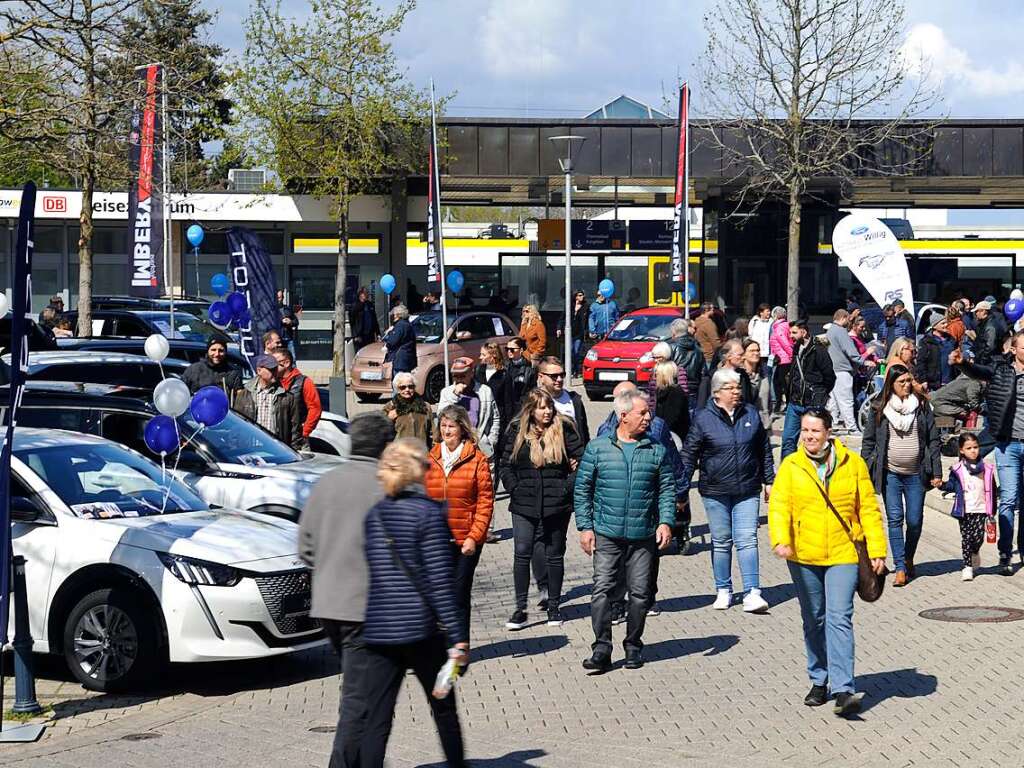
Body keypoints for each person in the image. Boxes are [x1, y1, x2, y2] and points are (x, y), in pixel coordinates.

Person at [769, 409, 886, 717]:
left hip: (843, 553)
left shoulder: (853, 463)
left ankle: (844, 689)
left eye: (815, 431)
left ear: (829, 433)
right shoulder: (791, 465)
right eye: (805, 431)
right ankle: (819, 680)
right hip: (803, 554)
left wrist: (877, 549)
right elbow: (779, 506)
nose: (809, 436)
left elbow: (869, 509)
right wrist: (780, 539)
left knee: (839, 617)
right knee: (814, 619)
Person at [361, 439, 468, 767]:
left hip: (379, 631)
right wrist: (457, 636)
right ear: (416, 471)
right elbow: (440, 583)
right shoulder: (429, 514)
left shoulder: (374, 515)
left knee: (376, 718)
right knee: (443, 708)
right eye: (425, 463)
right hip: (421, 630)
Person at [299, 413, 394, 768]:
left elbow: (306, 547)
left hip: (329, 606)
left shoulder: (327, 482)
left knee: (362, 692)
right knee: (362, 701)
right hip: (369, 611)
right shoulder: (390, 486)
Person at [574, 388, 675, 672]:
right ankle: (601, 648)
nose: (648, 417)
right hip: (606, 533)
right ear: (623, 416)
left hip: (643, 536)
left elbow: (667, 488)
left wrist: (666, 521)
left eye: (648, 412)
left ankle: (633, 645)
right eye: (642, 413)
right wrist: (585, 527)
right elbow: (583, 489)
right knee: (602, 590)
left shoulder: (655, 449)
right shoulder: (598, 448)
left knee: (641, 593)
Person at [680, 368, 775, 613]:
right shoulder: (703, 418)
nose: (736, 392)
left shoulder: (751, 413)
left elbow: (764, 450)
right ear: (717, 392)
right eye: (730, 388)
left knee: (747, 539)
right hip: (715, 489)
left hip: (747, 487)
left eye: (738, 387)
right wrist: (680, 490)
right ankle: (723, 589)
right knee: (721, 541)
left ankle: (753, 592)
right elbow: (689, 455)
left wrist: (769, 481)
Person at [500, 389, 584, 629]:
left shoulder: (564, 428)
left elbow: (584, 460)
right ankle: (520, 608)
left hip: (556, 502)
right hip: (523, 501)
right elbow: (506, 464)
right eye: (541, 407)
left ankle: (554, 606)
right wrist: (513, 487)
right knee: (522, 550)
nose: (547, 412)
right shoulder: (517, 430)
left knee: (554, 553)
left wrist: (566, 486)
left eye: (549, 407)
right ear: (531, 410)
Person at [860, 364, 942, 587]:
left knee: (914, 521)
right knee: (895, 520)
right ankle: (900, 568)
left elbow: (933, 440)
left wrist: (937, 471)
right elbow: (868, 441)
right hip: (890, 474)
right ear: (891, 385)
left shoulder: (922, 406)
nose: (906, 385)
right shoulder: (879, 408)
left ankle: (908, 556)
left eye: (908, 381)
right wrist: (864, 469)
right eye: (901, 382)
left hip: (916, 473)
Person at [951, 336, 1024, 574]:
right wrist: (963, 363)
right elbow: (979, 371)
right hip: (1007, 444)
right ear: (1014, 350)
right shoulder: (1002, 370)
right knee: (1009, 500)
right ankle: (1005, 553)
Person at [425, 405, 494, 641]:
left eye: (451, 426)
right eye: (443, 426)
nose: (446, 431)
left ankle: (460, 646)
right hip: (436, 539)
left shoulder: (477, 459)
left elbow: (485, 502)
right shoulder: (431, 456)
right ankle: (437, 646)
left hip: (465, 538)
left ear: (462, 428)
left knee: (459, 593)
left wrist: (474, 537)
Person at [940, 433, 997, 582]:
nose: (973, 451)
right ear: (962, 450)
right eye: (969, 448)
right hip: (964, 509)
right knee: (966, 537)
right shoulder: (958, 469)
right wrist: (942, 485)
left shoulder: (987, 468)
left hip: (981, 508)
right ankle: (967, 566)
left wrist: (993, 508)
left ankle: (975, 552)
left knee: (978, 538)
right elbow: (952, 485)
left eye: (975, 447)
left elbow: (993, 488)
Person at [781, 320, 836, 459]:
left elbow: (830, 377)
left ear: (804, 332)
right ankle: (787, 471)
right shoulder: (795, 349)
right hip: (795, 402)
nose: (791, 336)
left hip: (812, 402)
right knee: (788, 439)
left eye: (794, 333)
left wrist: (820, 394)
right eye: (790, 333)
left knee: (812, 441)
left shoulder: (819, 350)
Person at [232, 354, 303, 449]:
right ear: (259, 370)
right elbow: (237, 426)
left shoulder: (286, 397)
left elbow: (295, 429)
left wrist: (294, 451)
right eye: (271, 369)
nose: (274, 372)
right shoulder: (244, 395)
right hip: (251, 449)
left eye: (275, 369)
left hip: (277, 450)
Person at [437, 357, 501, 459]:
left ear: (471, 373)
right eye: (455, 376)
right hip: (456, 446)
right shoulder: (447, 393)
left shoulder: (485, 391)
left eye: (462, 376)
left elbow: (495, 418)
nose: (458, 380)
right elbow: (441, 417)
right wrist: (455, 395)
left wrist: (491, 441)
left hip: (481, 445)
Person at [827, 309, 872, 435]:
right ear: (843, 318)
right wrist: (864, 360)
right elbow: (851, 352)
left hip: (833, 369)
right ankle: (852, 428)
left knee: (833, 401)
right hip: (842, 370)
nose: (849, 322)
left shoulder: (831, 330)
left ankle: (833, 423)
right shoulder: (841, 332)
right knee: (846, 400)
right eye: (848, 319)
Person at [273, 348, 323, 446]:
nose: (271, 366)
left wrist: (304, 433)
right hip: (276, 436)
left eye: (274, 362)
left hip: (297, 438)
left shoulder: (304, 382)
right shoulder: (273, 382)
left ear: (286, 363)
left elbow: (315, 408)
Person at [536, 356, 590, 443]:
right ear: (541, 377)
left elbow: (584, 434)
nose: (559, 379)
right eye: (554, 376)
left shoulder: (575, 401)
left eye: (562, 375)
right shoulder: (530, 401)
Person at [696, 338, 755, 408]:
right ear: (728, 356)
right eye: (740, 355)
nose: (744, 357)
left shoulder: (743, 376)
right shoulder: (710, 378)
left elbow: (748, 402)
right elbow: (701, 406)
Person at [382, 372, 432, 445]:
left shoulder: (425, 407)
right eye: (403, 387)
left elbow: (432, 433)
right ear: (398, 389)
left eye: (410, 386)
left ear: (414, 387)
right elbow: (382, 432)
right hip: (399, 453)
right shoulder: (390, 407)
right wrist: (388, 419)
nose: (407, 390)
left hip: (421, 452)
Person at [668, 318, 704, 409]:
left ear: (673, 332)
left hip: (675, 389)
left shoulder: (670, 347)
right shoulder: (697, 348)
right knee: (691, 418)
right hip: (693, 389)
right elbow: (703, 372)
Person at [651, 358, 689, 443]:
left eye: (657, 372)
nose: (655, 375)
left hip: (673, 436)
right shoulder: (661, 390)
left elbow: (672, 419)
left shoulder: (676, 392)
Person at [558, 290, 589, 376]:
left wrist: (587, 331)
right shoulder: (569, 306)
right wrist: (559, 328)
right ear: (575, 297)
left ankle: (575, 370)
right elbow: (562, 318)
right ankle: (570, 370)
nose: (581, 297)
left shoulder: (585, 306)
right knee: (570, 351)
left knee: (576, 351)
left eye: (582, 295)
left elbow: (587, 320)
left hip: (579, 333)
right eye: (579, 295)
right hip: (570, 333)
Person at [741, 338, 771, 423]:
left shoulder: (764, 375)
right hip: (746, 422)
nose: (756, 353)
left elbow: (768, 401)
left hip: (763, 423)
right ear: (743, 354)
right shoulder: (740, 376)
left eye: (758, 350)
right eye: (752, 351)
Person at [769, 307, 793, 414]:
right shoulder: (784, 325)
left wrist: (791, 356)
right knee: (781, 382)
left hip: (784, 359)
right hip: (782, 358)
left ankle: (781, 405)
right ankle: (782, 405)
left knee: (781, 383)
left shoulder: (779, 328)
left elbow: (785, 343)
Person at [382, 304, 417, 375]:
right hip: (407, 359)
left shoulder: (400, 325)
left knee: (398, 382)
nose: (393, 316)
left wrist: (389, 333)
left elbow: (392, 341)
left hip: (400, 360)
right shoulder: (407, 324)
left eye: (394, 314)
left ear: (398, 315)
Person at [504, 336, 538, 407]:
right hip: (508, 406)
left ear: (521, 350)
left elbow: (533, 392)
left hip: (523, 406)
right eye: (507, 349)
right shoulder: (505, 367)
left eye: (512, 349)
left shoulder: (530, 369)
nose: (509, 351)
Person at [349, 286, 381, 351]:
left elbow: (374, 320)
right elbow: (352, 322)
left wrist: (378, 333)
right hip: (360, 336)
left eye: (368, 293)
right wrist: (355, 335)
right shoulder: (355, 305)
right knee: (360, 353)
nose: (367, 295)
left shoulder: (370, 304)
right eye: (366, 293)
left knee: (370, 353)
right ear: (360, 294)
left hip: (370, 335)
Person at [749, 304, 773, 369]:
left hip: (767, 352)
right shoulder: (754, 321)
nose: (769, 313)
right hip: (756, 351)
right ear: (761, 313)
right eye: (767, 311)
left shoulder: (771, 322)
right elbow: (750, 334)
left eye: (769, 311)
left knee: (766, 371)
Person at [276, 289, 299, 359]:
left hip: (288, 337)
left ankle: (292, 370)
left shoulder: (287, 309)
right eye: (279, 297)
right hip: (278, 339)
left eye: (282, 297)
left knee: (292, 358)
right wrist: (280, 321)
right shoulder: (272, 310)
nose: (281, 299)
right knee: (279, 358)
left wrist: (290, 322)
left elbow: (296, 322)